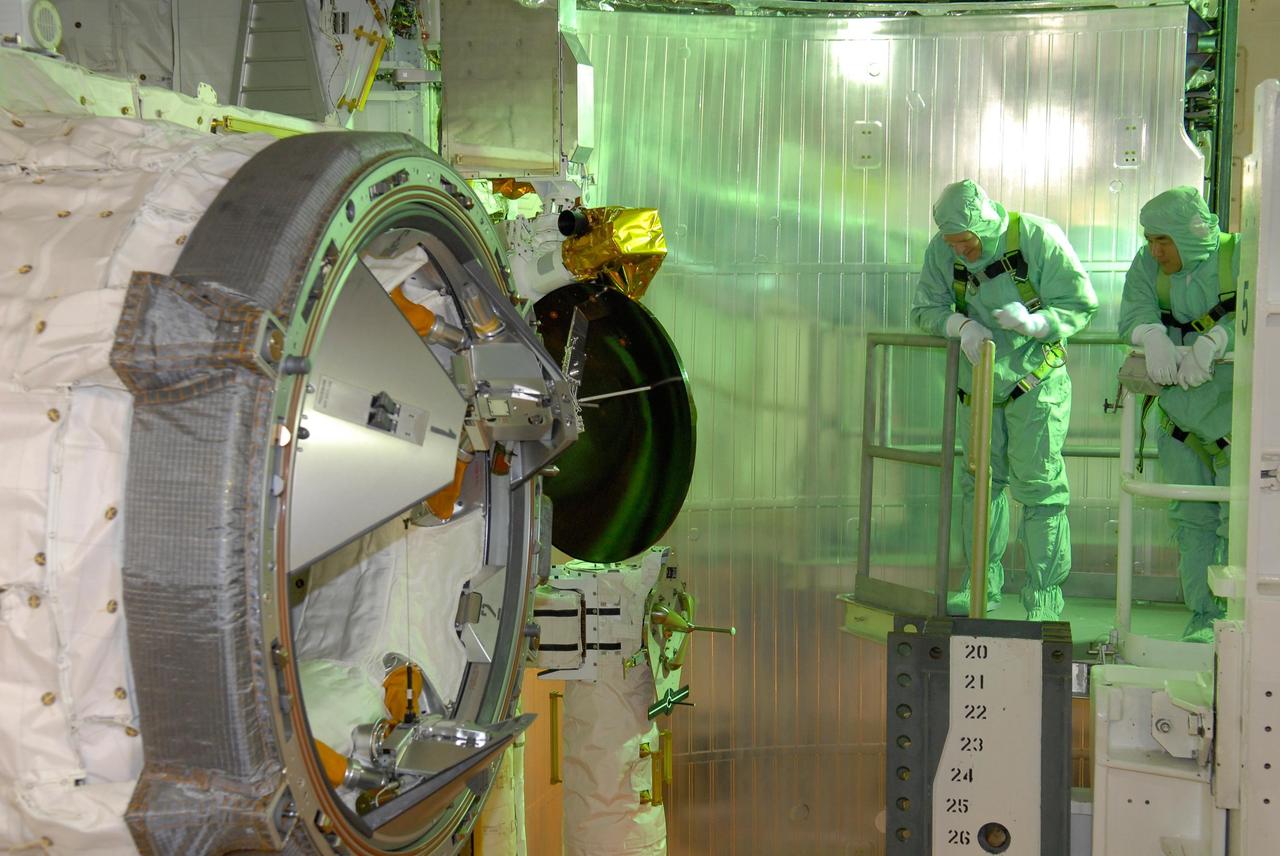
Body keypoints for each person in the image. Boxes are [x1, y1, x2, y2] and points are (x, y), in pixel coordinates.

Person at [911, 180, 1098, 621]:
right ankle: (981, 581)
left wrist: (1037, 324)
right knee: (979, 485)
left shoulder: (1035, 238)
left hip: (1036, 384)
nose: (960, 251)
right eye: (952, 243)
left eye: (967, 242)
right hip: (978, 387)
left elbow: (1080, 302)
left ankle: (1044, 593)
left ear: (984, 227)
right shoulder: (942, 250)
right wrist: (959, 325)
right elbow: (924, 309)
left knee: (1040, 487)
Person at [1118, 186, 1238, 643]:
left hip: (1234, 424)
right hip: (1179, 424)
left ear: (1189, 236)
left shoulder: (1240, 256)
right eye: (1150, 239)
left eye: (1163, 240)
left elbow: (1266, 313)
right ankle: (1204, 618)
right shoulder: (1148, 266)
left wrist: (1220, 339)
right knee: (1192, 521)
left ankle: (1235, 620)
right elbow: (1133, 310)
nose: (1155, 250)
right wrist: (1150, 334)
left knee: (1237, 521)